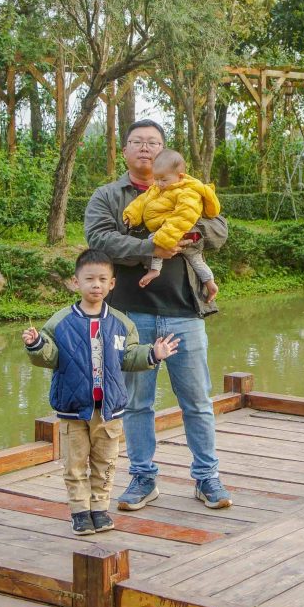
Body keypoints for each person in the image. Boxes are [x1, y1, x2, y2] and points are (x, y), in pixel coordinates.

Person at [84, 119, 233, 510]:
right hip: (132, 316)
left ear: (165, 151)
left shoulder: (188, 186)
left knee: (197, 400)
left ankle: (207, 478)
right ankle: (142, 478)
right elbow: (98, 239)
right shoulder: (109, 196)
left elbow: (219, 228)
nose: (145, 148)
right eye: (137, 142)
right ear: (126, 150)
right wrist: (151, 245)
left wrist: (188, 234)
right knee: (135, 404)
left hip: (185, 311)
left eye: (153, 142)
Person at [22, 248, 180, 535]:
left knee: (105, 464)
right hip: (73, 410)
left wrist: (153, 354)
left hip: (109, 411)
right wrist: (36, 344)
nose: (96, 285)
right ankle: (80, 512)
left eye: (102, 279)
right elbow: (49, 357)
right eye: (89, 279)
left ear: (112, 284)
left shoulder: (121, 323)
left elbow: (129, 357)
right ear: (75, 282)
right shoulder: (60, 321)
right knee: (75, 464)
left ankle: (100, 510)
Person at [122, 148, 221, 302]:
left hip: (181, 232)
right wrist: (131, 215)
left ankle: (155, 270)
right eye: (156, 179)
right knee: (196, 260)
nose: (159, 183)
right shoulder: (158, 188)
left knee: (153, 240)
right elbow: (141, 202)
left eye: (163, 180)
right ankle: (210, 283)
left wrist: (165, 237)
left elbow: (184, 216)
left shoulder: (188, 192)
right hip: (177, 233)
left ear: (180, 176)